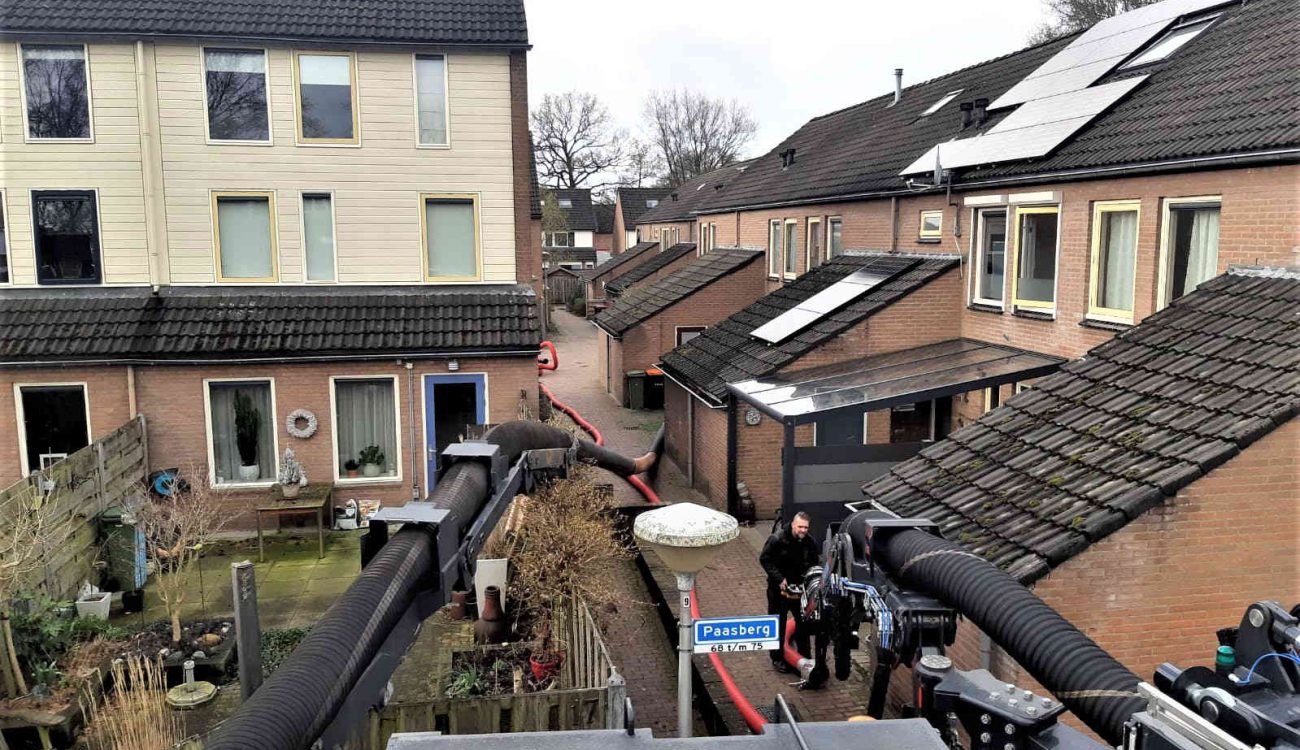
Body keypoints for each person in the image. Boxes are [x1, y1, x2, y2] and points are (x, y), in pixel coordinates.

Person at [759, 511, 818, 673]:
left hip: (799, 591)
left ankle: (804, 657)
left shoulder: (810, 543)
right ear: (793, 524)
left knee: (803, 624)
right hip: (779, 591)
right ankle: (777, 658)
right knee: (778, 624)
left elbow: (814, 564)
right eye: (800, 527)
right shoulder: (777, 540)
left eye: (806, 527)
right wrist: (779, 579)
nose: (803, 530)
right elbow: (764, 559)